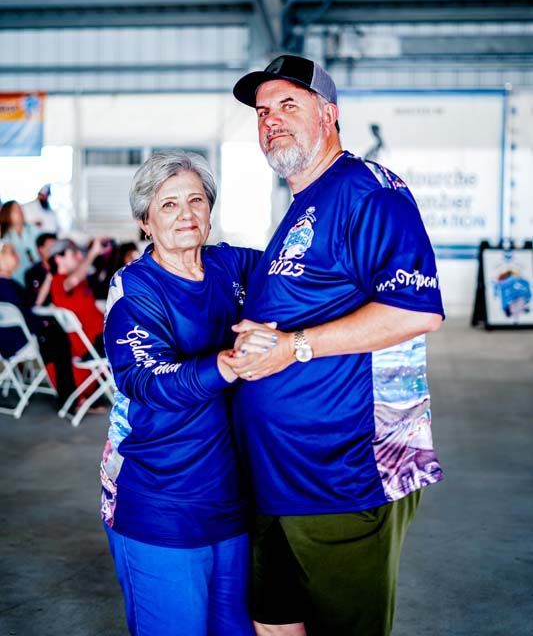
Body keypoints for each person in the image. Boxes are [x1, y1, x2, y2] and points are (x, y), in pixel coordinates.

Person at [227, 54, 445, 636]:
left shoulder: (368, 191)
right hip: (279, 471)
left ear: (330, 115)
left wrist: (292, 346)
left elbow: (415, 310)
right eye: (263, 111)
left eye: (289, 105)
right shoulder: (305, 201)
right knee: (273, 619)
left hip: (343, 474)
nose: (271, 119)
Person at [101, 151, 267, 636]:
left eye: (196, 200)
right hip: (160, 499)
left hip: (232, 497)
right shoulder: (135, 287)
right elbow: (145, 380)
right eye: (168, 204)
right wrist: (227, 363)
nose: (187, 214)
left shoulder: (230, 264)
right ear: (144, 221)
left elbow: (296, 275)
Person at [0, 241, 76, 411]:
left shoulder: (9, 285)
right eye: (12, 253)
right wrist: (44, 323)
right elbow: (29, 313)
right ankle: (68, 399)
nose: (17, 257)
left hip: (5, 343)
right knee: (60, 340)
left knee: (56, 335)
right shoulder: (8, 286)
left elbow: (31, 304)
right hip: (20, 342)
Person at [48, 237, 107, 358]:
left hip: (102, 336)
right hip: (92, 344)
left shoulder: (79, 280)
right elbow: (73, 280)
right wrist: (92, 253)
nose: (79, 256)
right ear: (58, 258)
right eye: (73, 253)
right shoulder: (57, 282)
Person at [0, 200, 39, 284]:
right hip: (18, 282)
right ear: (7, 214)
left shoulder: (34, 230)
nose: (20, 211)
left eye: (20, 208)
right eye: (15, 210)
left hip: (39, 276)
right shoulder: (4, 239)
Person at [24, 231, 56, 306]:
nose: (55, 250)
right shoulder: (32, 273)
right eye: (51, 246)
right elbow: (36, 299)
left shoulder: (62, 267)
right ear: (40, 249)